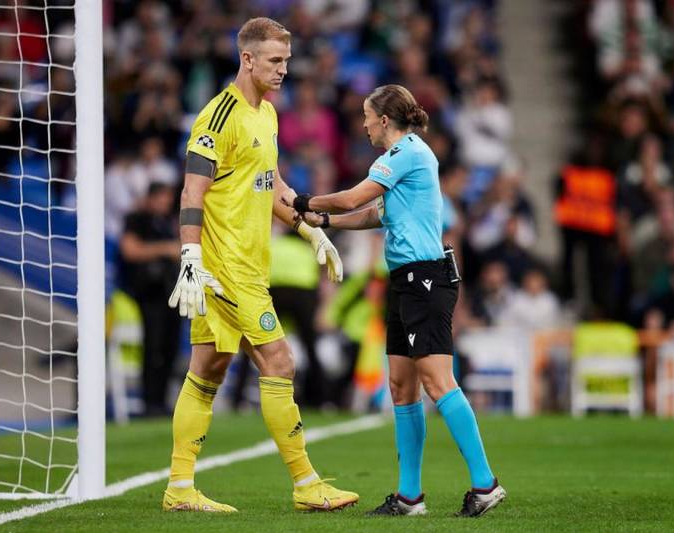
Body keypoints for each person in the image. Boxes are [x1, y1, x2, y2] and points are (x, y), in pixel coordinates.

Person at [163, 17, 357, 513]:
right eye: (275, 61)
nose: (283, 70)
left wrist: (310, 229)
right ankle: (305, 482)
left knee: (207, 370)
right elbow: (192, 192)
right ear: (247, 59)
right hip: (226, 267)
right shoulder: (217, 117)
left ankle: (180, 488)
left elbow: (274, 186)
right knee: (280, 362)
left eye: (287, 62)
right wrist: (191, 256)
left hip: (249, 264)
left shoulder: (267, 115)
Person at [284, 84, 506, 518]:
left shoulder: (410, 152)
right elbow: (373, 213)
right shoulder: (394, 160)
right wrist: (326, 219)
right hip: (405, 279)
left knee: (437, 382)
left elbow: (355, 197)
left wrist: (304, 201)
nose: (363, 124)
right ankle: (409, 498)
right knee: (401, 386)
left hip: (427, 277)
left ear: (384, 120)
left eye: (367, 116)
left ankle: (486, 483)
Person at [119, 182, 181, 416]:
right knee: (153, 348)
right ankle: (149, 402)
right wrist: (166, 249)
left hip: (169, 293)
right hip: (147, 294)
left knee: (170, 348)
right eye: (162, 198)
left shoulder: (166, 223)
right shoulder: (137, 219)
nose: (166, 203)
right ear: (151, 198)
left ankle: (162, 401)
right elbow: (130, 250)